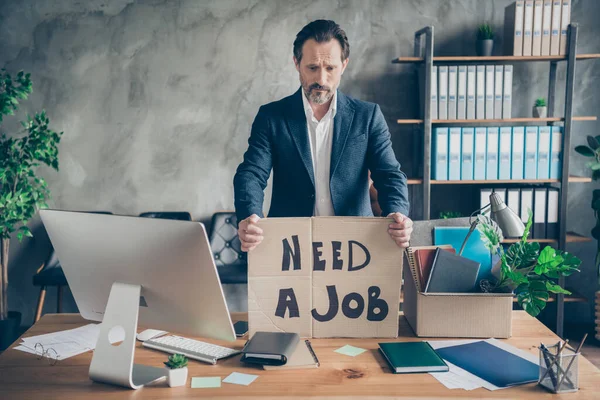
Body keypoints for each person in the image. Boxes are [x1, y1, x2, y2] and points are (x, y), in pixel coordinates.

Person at [233, 19, 412, 252]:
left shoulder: (368, 116)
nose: (321, 80)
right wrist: (250, 216)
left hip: (355, 246)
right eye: (312, 67)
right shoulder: (271, 117)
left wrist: (397, 212)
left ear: (344, 65)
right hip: (291, 246)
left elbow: (389, 174)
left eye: (330, 68)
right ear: (296, 63)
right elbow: (251, 174)